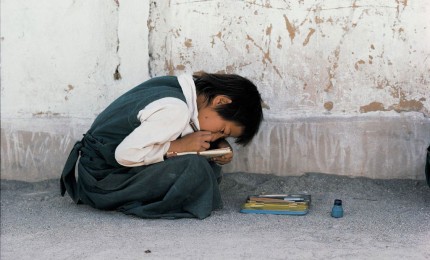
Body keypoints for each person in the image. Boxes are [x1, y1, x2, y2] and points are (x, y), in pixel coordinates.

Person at [61, 72, 263, 219]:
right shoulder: (176, 110)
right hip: (103, 181)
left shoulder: (177, 87)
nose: (215, 136)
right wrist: (180, 146)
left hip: (95, 172)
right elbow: (125, 155)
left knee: (204, 161)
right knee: (196, 167)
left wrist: (216, 146)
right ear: (221, 101)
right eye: (223, 131)